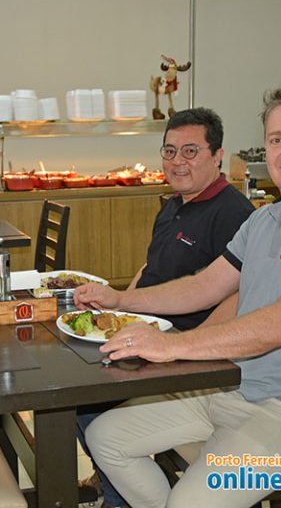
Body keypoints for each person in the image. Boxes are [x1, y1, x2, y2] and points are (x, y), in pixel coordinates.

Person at [75, 83, 281, 508]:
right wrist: (120, 300)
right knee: (104, 437)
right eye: (276, 140)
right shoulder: (265, 219)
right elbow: (205, 286)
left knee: (190, 503)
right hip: (231, 387)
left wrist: (173, 346)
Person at [76, 108, 254, 508]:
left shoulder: (235, 215)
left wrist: (187, 348)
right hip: (150, 335)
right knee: (75, 377)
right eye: (170, 151)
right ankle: (117, 485)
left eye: (190, 151)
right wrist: (119, 309)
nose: (177, 161)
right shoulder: (173, 205)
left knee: (84, 403)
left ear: (217, 155)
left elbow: (239, 296)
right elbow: (151, 268)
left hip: (187, 352)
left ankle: (120, 497)